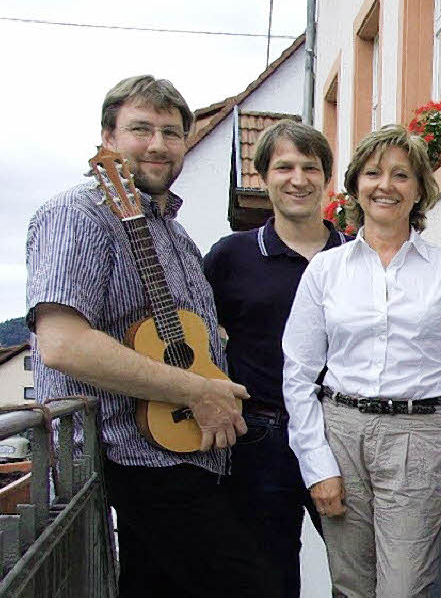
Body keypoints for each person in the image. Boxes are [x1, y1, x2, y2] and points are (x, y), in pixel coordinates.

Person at [25, 75, 277, 597]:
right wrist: (195, 391)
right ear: (108, 138)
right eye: (141, 129)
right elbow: (63, 343)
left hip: (191, 454)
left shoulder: (175, 233)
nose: (158, 145)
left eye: (171, 132)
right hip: (130, 460)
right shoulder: (77, 214)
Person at [281, 125, 441, 598]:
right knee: (351, 587)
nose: (386, 186)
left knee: (406, 587)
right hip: (341, 434)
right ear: (356, 185)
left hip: (420, 437)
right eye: (373, 173)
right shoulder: (326, 270)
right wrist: (318, 465)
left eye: (401, 175)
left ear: (419, 190)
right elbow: (297, 375)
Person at [203, 120, 344, 598]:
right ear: (263, 177)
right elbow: (194, 339)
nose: (298, 178)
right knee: (266, 578)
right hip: (261, 439)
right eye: (284, 167)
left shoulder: (357, 256)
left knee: (360, 571)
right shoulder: (231, 257)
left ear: (328, 178)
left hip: (345, 434)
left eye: (311, 167)